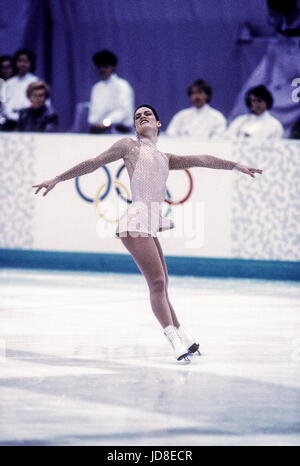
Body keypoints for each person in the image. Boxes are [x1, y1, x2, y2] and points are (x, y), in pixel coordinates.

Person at [32, 104, 263, 362]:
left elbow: (202, 159)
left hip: (149, 222)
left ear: (159, 123)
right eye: (137, 116)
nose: (142, 117)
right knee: (156, 283)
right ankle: (174, 340)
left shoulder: (166, 158)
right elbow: (93, 163)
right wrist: (58, 178)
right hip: (136, 220)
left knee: (163, 282)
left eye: (147, 115)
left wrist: (235, 165)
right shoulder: (128, 146)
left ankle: (182, 333)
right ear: (135, 126)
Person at [88, 50, 134, 134]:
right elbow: (94, 115)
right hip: (98, 132)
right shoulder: (96, 87)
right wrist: (97, 124)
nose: (102, 70)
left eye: (105, 66)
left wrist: (106, 122)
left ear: (112, 67)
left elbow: (123, 111)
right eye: (100, 67)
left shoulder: (122, 85)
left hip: (119, 133)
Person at [3, 49, 39, 127]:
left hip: (29, 122)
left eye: (26, 61)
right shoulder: (9, 83)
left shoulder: (35, 82)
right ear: (15, 63)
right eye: (20, 61)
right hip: (10, 123)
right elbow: (4, 104)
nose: (22, 64)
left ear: (31, 63)